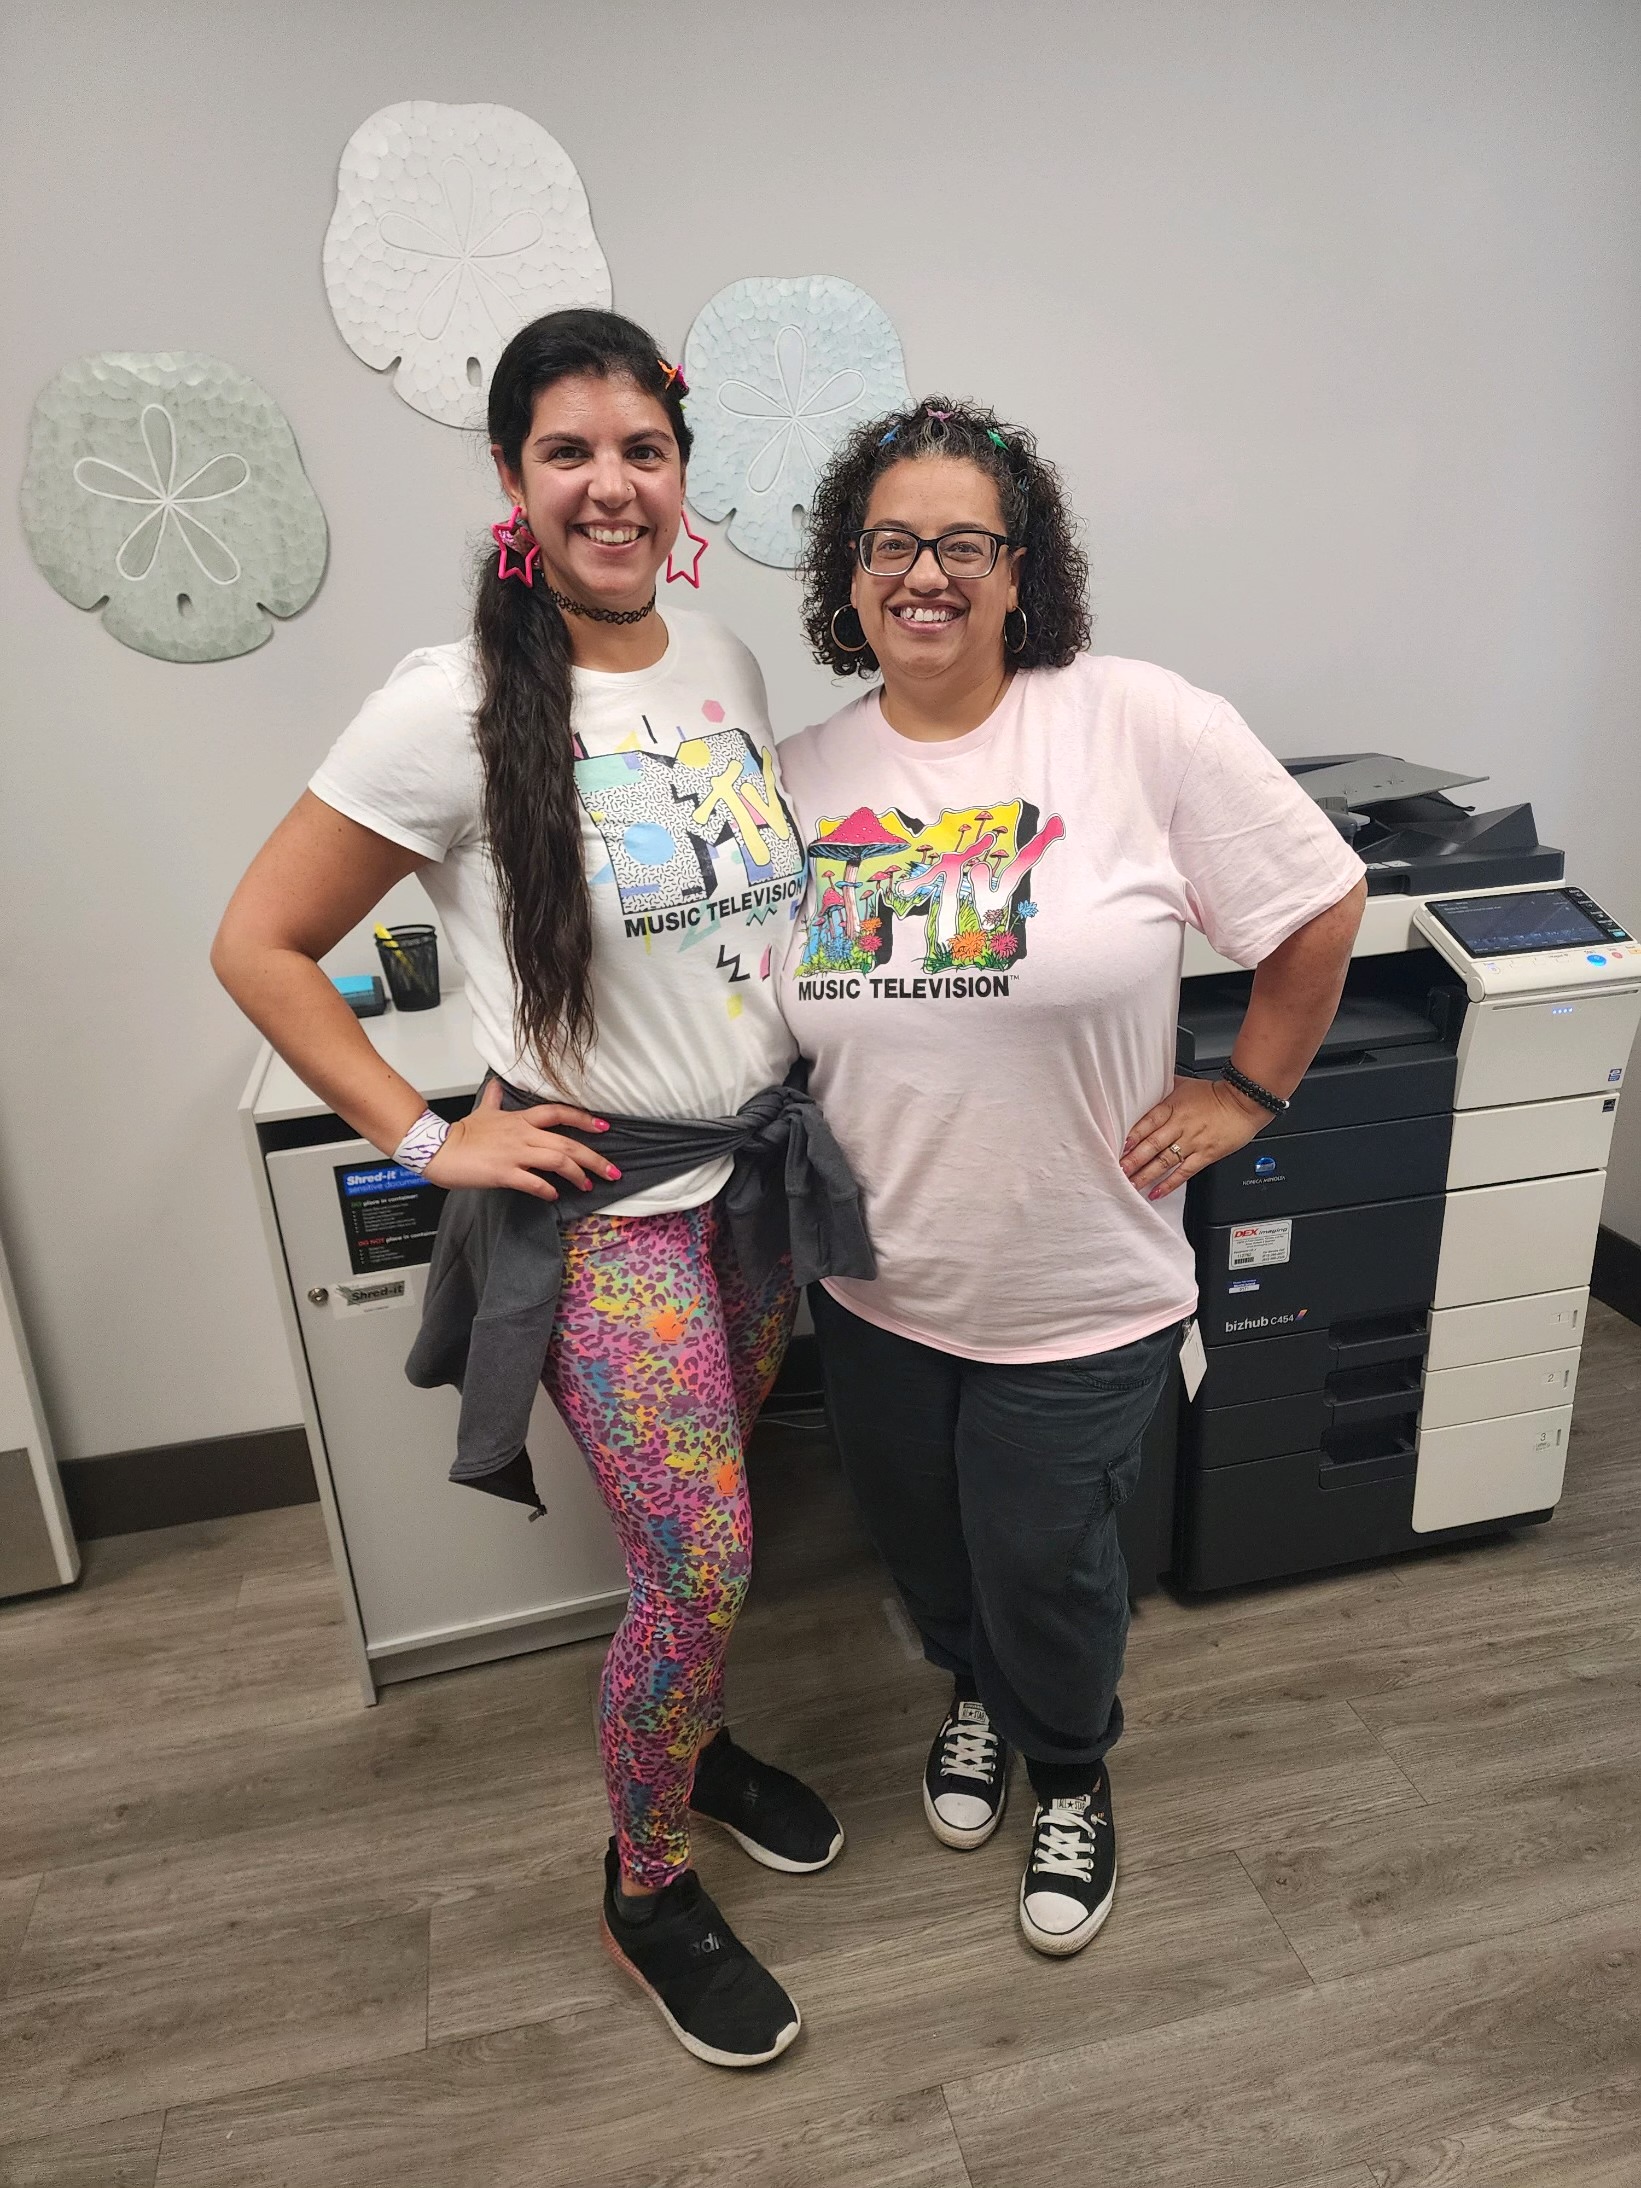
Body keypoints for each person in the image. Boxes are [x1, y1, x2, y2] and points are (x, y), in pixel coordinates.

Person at [213, 309, 864, 2070]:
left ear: (680, 476)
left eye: (640, 449)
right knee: (704, 1555)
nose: (610, 483)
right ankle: (645, 1882)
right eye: (568, 451)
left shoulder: (721, 655)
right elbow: (259, 944)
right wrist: (433, 1141)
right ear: (511, 479)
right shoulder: (446, 703)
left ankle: (701, 1745)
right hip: (603, 1222)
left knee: (704, 1560)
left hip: (748, 1200)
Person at [779, 396, 1367, 1958]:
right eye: (890, 542)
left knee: (1047, 1557)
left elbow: (1318, 899)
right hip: (877, 1284)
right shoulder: (793, 774)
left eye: (961, 543)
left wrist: (1249, 1087)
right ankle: (973, 1697)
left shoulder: (1136, 722)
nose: (924, 573)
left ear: (1018, 569)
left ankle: (1071, 1771)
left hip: (1080, 1279)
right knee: (926, 1549)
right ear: (846, 573)